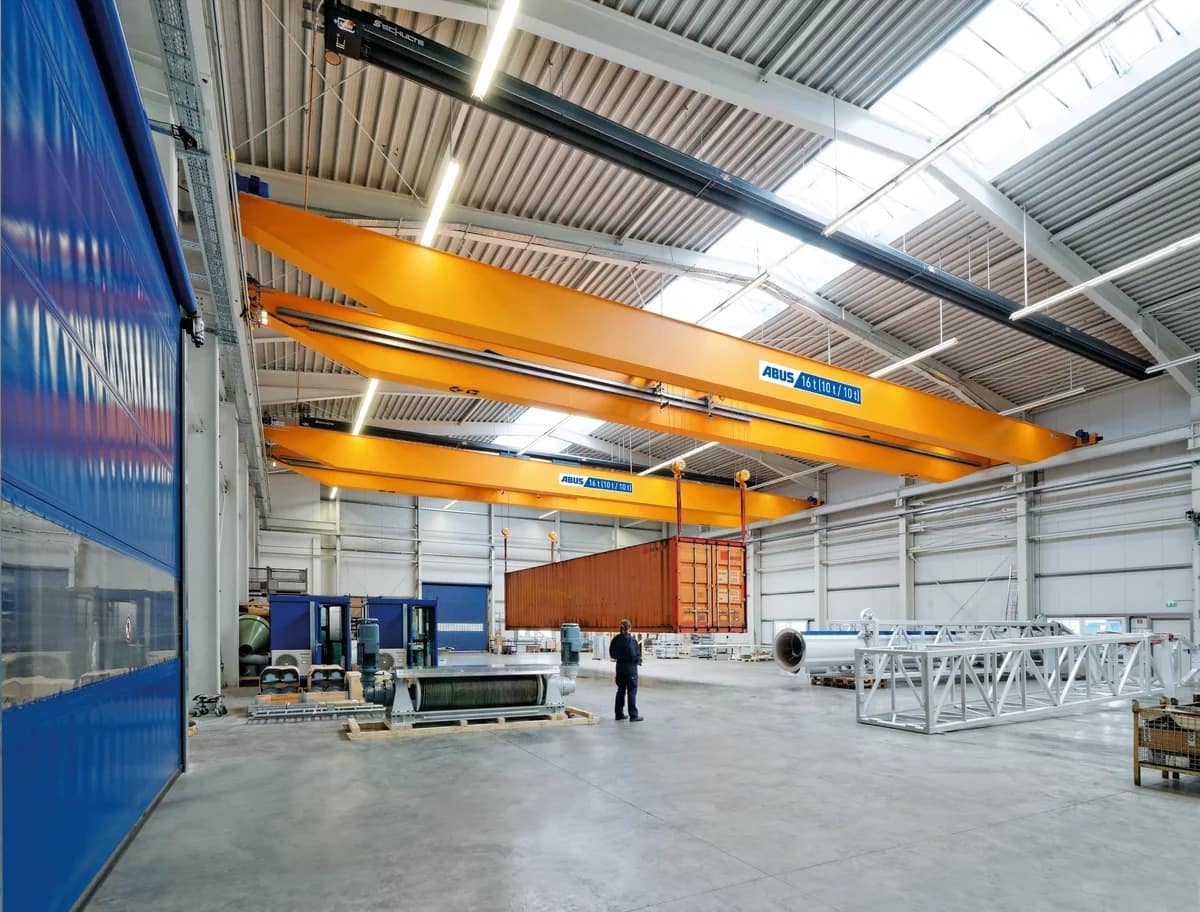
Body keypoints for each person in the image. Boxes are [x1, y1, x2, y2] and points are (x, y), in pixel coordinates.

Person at [609, 619, 644, 722]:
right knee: (631, 691)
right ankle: (633, 715)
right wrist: (638, 660)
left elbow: (612, 654)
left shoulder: (616, 639)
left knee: (620, 690)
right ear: (629, 628)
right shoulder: (631, 640)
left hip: (619, 667)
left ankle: (619, 714)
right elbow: (634, 655)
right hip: (630, 668)